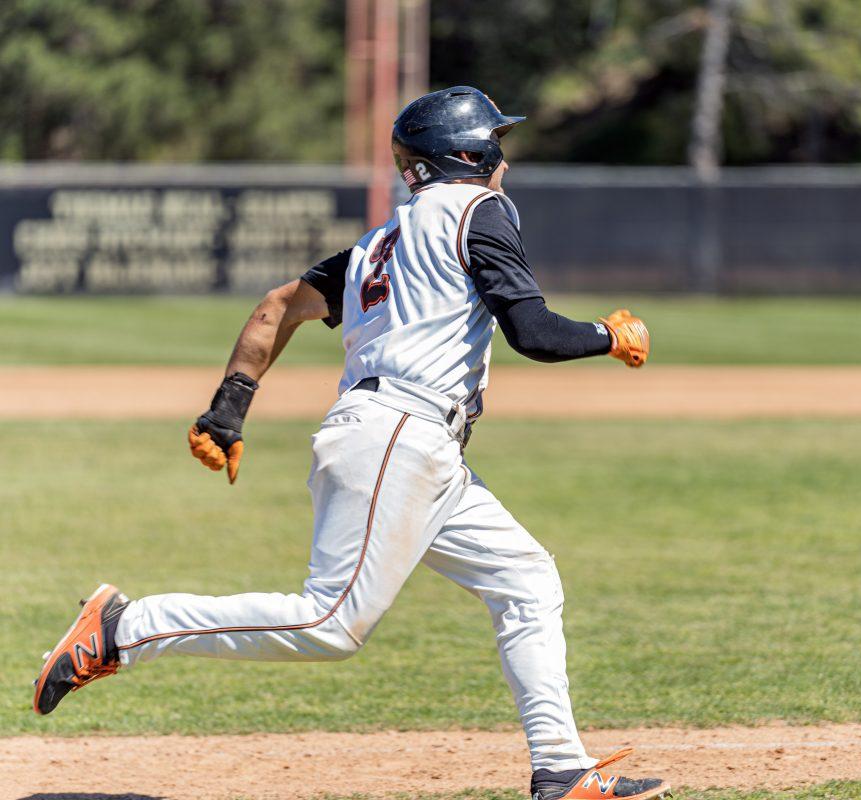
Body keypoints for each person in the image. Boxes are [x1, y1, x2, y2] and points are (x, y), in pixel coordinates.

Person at [33, 86, 667, 800]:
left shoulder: (377, 245)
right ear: (471, 153)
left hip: (412, 442)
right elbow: (535, 333)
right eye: (498, 142)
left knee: (526, 582)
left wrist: (228, 410)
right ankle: (124, 629)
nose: (506, 159)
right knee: (330, 623)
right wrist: (608, 336)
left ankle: (561, 770)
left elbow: (280, 307)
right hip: (400, 436)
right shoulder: (479, 211)